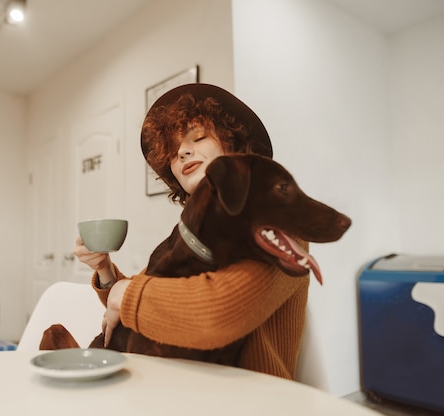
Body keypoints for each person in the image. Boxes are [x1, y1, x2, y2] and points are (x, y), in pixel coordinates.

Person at [74, 83, 309, 380]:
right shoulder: (186, 233)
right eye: (172, 151)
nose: (183, 151)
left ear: (233, 143)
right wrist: (107, 271)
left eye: (198, 137)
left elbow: (218, 315)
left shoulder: (279, 222)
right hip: (171, 387)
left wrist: (127, 294)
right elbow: (149, 301)